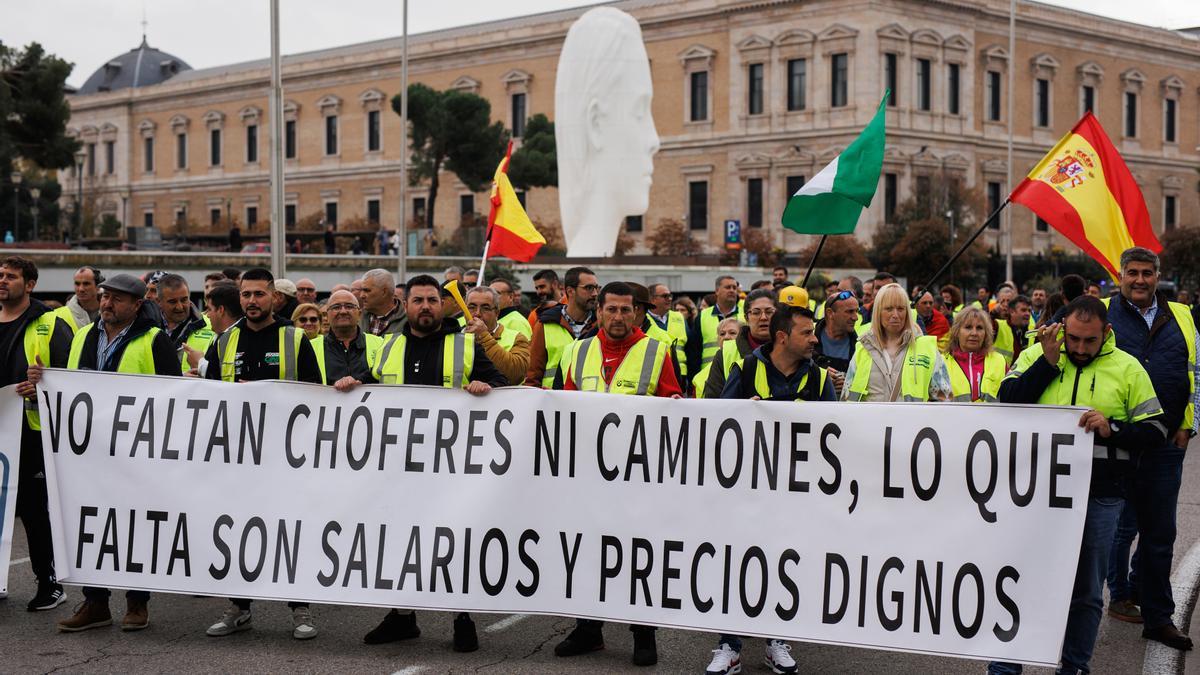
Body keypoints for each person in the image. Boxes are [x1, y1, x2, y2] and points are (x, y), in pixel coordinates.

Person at [988, 296, 1168, 675]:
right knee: (1018, 581)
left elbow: (1155, 431)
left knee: (1086, 592)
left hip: (1100, 496)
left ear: (1107, 333)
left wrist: (1112, 428)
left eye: (1090, 341)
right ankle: (1005, 667)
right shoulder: (1037, 355)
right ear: (1061, 330)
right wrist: (1047, 362)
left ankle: (1074, 668)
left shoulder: (1128, 368)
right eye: (1074, 339)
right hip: (1033, 494)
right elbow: (1006, 405)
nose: (1081, 348)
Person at [352, 274, 507, 652]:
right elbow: (368, 385)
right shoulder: (389, 347)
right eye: (418, 300)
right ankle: (402, 618)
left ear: (443, 305)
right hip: (399, 467)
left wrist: (484, 389)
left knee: (453, 542)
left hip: (452, 470)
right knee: (399, 540)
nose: (425, 307)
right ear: (406, 306)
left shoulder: (466, 345)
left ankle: (462, 617)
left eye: (432, 300)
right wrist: (348, 386)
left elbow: (504, 389)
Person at [556, 282, 680, 667]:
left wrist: (676, 405)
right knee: (587, 551)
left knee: (639, 555)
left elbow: (674, 402)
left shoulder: (657, 352)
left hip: (639, 476)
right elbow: (565, 406)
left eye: (627, 310)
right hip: (588, 474)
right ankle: (588, 628)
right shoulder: (577, 350)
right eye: (612, 309)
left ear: (637, 313)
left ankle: (643, 633)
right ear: (599, 312)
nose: (619, 317)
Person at [705, 304, 829, 674]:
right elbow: (719, 424)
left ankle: (777, 639)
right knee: (737, 563)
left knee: (784, 563)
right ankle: (730, 645)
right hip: (747, 489)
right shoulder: (744, 370)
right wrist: (745, 412)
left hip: (795, 490)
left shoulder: (819, 379)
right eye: (807, 333)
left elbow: (836, 435)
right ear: (782, 337)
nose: (814, 339)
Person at [56, 273, 180, 633]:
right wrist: (42, 382)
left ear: (137, 305)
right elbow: (69, 385)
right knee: (91, 526)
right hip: (89, 452)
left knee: (135, 527)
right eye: (106, 296)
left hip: (137, 455)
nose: (107, 303)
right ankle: (95, 602)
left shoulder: (155, 340)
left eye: (117, 299)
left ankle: (137, 602)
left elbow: (176, 398)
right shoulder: (83, 336)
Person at [202, 268, 322, 641]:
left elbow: (315, 394)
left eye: (259, 294)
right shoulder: (222, 342)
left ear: (274, 297)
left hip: (286, 457)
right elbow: (205, 399)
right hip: (238, 457)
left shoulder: (294, 338)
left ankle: (299, 608)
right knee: (238, 532)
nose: (251, 301)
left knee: (289, 531)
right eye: (245, 294)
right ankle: (239, 607)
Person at [1101, 247, 1198, 649]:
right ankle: (1114, 597)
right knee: (1113, 529)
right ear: (1119, 275)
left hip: (1164, 445)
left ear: (1158, 276)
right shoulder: (1101, 310)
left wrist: (1187, 427)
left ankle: (1159, 617)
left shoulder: (1182, 315)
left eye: (1147, 273)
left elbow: (1195, 372)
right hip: (1114, 443)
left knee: (1160, 534)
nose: (1139, 280)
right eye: (1132, 273)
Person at [0, 256, 73, 612]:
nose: (2, 281)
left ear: (29, 285)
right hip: (0, 428)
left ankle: (50, 582)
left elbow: (72, 374)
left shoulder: (49, 322)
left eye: (11, 276)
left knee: (32, 510)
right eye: (0, 275)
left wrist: (42, 386)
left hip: (30, 433)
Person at [843, 283, 951, 402]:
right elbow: (846, 400)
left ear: (907, 312)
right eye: (889, 309)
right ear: (878, 312)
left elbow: (945, 402)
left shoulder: (927, 349)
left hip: (913, 421)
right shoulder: (863, 349)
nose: (895, 315)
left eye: (900, 309)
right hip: (870, 421)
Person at [525, 266, 598, 388]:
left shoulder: (601, 326)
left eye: (596, 288)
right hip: (553, 403)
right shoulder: (545, 324)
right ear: (570, 291)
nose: (595, 293)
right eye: (589, 288)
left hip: (590, 401)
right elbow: (532, 375)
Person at [702, 288, 774, 399]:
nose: (763, 317)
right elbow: (713, 402)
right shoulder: (724, 354)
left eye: (769, 312)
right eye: (756, 312)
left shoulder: (791, 351)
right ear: (746, 318)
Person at [309, 290, 381, 385]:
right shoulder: (311, 347)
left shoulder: (381, 344)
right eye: (336, 307)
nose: (343, 311)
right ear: (327, 315)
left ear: (359, 314)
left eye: (349, 306)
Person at [463, 285, 530, 385]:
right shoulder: (454, 337)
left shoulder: (517, 338)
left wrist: (484, 337)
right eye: (472, 307)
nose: (477, 313)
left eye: (485, 308)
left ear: (497, 313)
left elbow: (515, 375)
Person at [942, 306, 1004, 402]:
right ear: (956, 332)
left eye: (979, 328)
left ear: (986, 333)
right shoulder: (941, 363)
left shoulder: (1000, 361)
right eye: (968, 327)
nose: (974, 333)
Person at [157, 273, 216, 370]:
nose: (180, 307)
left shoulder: (212, 326)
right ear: (159, 301)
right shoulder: (147, 327)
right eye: (173, 302)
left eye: (184, 300)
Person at [688, 275, 744, 375]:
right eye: (728, 287)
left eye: (734, 288)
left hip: (739, 374)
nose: (732, 290)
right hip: (707, 376)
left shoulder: (745, 316)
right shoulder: (702, 317)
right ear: (717, 291)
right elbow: (694, 351)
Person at [814, 289, 860, 396]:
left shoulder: (861, 346)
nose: (855, 317)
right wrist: (820, 376)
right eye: (849, 312)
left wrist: (849, 384)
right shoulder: (808, 337)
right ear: (830, 313)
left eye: (857, 311)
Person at [648, 283, 688, 382]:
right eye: (665, 296)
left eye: (670, 296)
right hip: (654, 373)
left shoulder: (679, 317)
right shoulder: (643, 319)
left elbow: (691, 348)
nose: (669, 299)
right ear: (652, 299)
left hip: (680, 375)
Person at [692, 318, 741, 396]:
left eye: (732, 333)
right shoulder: (699, 377)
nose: (726, 337)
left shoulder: (748, 361)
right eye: (722, 334)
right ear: (718, 339)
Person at [360, 269, 405, 336]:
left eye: (367, 290)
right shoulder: (357, 318)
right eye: (362, 290)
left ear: (384, 292)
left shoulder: (410, 321)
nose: (361, 296)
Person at [994, 294, 1033, 367]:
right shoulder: (998, 326)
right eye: (1023, 310)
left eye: (1029, 310)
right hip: (1000, 376)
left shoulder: (1032, 330)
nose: (1028, 313)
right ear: (1012, 312)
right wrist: (993, 312)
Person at [58, 266, 102, 330]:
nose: (81, 289)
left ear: (98, 287)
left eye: (86, 284)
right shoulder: (59, 315)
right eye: (77, 284)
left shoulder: (110, 312)